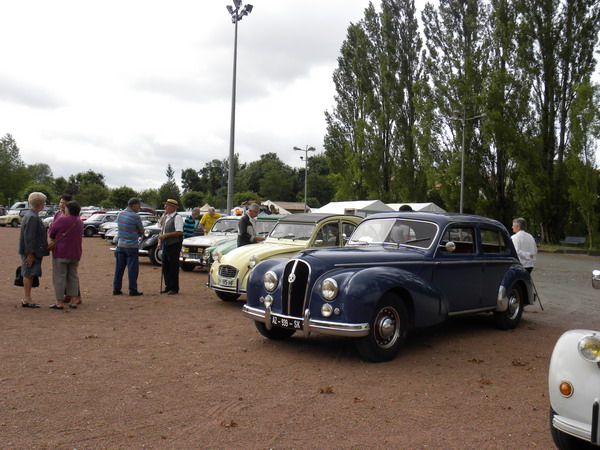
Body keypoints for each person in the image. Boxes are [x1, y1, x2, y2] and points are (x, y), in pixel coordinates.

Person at [48, 200, 84, 310]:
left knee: (59, 277)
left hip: (61, 253)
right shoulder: (80, 222)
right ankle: (73, 301)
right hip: (75, 253)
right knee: (73, 277)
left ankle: (59, 302)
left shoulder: (62, 220)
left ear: (68, 210)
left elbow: (52, 233)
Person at [18, 192, 48, 308]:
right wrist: (30, 253)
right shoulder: (32, 217)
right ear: (40, 204)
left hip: (32, 251)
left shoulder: (31, 215)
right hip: (31, 252)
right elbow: (29, 237)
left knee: (30, 273)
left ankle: (27, 298)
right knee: (28, 273)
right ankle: (27, 298)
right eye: (44, 202)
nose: (44, 204)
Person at [113, 198, 145, 296]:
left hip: (120, 244)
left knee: (119, 268)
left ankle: (116, 289)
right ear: (134, 205)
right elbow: (141, 230)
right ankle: (132, 289)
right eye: (139, 205)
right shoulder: (135, 216)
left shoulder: (120, 214)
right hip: (131, 245)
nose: (139, 207)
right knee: (132, 268)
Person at [158, 199, 184, 295]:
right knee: (165, 265)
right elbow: (162, 231)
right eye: (165, 206)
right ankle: (167, 286)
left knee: (173, 266)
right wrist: (160, 241)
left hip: (174, 244)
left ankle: (174, 287)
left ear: (173, 207)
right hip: (166, 244)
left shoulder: (177, 217)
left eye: (167, 206)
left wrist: (166, 236)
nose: (165, 207)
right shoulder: (166, 217)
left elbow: (179, 232)